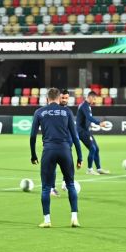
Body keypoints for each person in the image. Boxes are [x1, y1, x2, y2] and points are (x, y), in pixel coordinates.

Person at [31, 87, 84, 227]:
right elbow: (75, 136)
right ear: (59, 98)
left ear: (47, 98)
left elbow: (32, 136)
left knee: (45, 188)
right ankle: (74, 218)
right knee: (70, 184)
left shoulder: (39, 112)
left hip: (48, 151)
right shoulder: (66, 112)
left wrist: (33, 155)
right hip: (65, 150)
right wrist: (79, 157)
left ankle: (47, 221)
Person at [77, 90, 108, 175]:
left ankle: (99, 168)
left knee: (96, 149)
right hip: (82, 131)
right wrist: (99, 123)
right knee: (92, 149)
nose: (94, 101)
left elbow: (87, 119)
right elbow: (89, 117)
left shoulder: (87, 105)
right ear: (90, 97)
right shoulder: (84, 106)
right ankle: (89, 169)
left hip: (87, 130)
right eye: (94, 99)